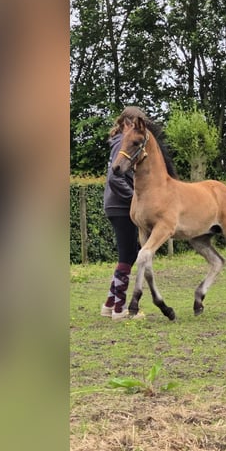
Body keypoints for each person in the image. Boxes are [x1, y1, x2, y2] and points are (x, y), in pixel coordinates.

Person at [101, 106, 148, 320]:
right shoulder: (123, 142)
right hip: (121, 206)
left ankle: (110, 305)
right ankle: (120, 309)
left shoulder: (119, 141)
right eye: (137, 124)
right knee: (127, 255)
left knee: (129, 253)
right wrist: (134, 200)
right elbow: (115, 178)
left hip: (116, 205)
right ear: (128, 123)